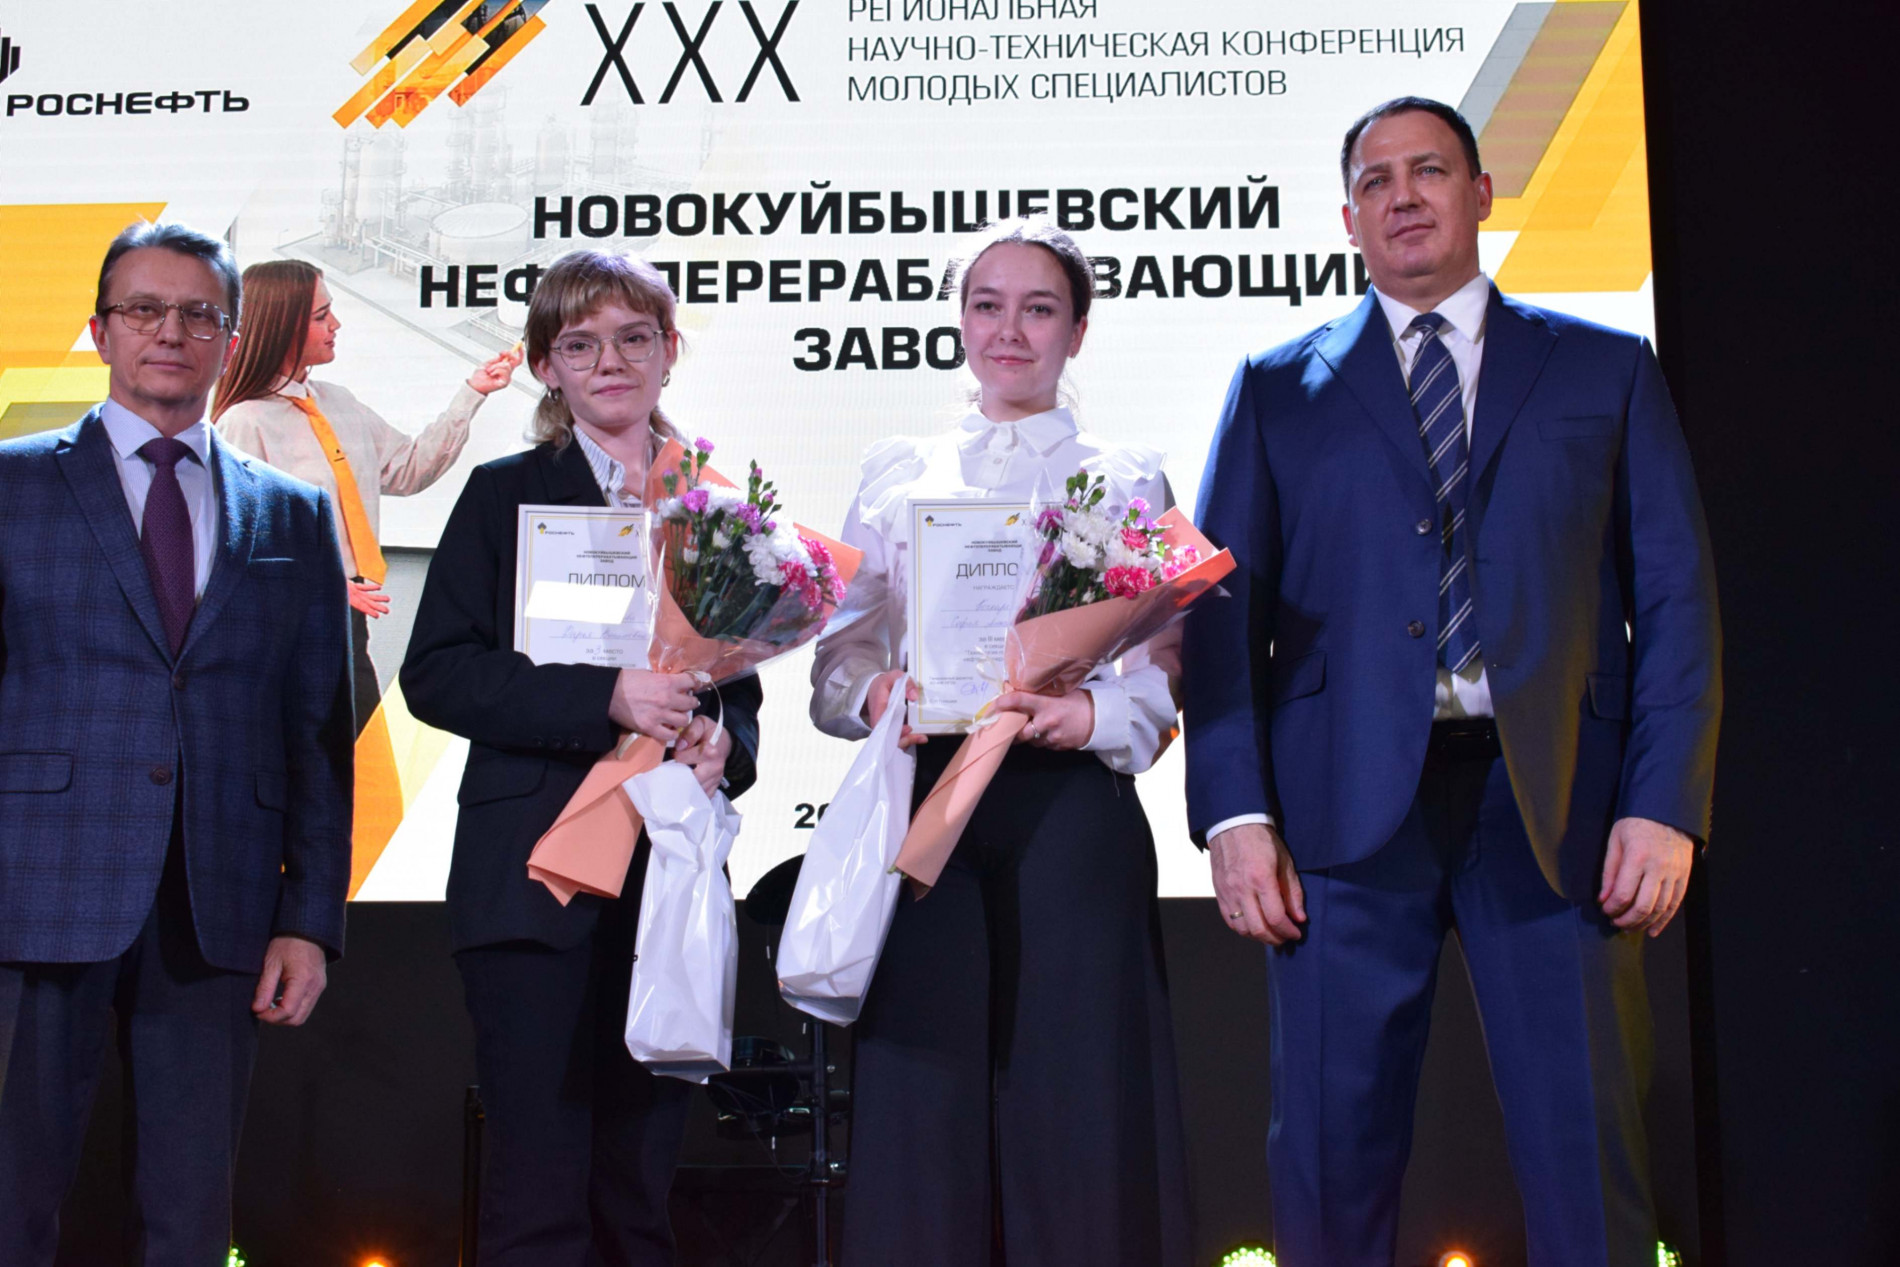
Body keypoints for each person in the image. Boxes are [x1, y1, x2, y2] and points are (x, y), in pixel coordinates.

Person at [1183, 97, 1722, 1267]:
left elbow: (1678, 602)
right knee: (1325, 1160)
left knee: (1588, 1154)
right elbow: (1220, 625)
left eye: (1428, 170)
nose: (1403, 196)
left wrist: (1662, 802)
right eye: (1374, 181)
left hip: (1560, 808)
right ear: (1347, 220)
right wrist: (1232, 813)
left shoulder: (1604, 369)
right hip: (1337, 818)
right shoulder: (1275, 389)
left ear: (1481, 193)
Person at [811, 217, 1192, 1266]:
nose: (1009, 331)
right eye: (987, 305)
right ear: (960, 320)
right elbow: (839, 655)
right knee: (920, 1112)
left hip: (1070, 806)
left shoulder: (1129, 474)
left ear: (1078, 331)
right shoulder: (897, 470)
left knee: (1080, 1108)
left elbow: (1167, 660)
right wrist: (878, 691)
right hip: (927, 804)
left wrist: (1091, 717)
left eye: (1038, 309)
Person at [399, 249, 761, 1267]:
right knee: (537, 1194)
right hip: (533, 876)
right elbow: (438, 674)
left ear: (670, 350)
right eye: (581, 343)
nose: (611, 361)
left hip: (667, 878)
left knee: (639, 1195)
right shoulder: (503, 493)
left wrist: (719, 740)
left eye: (634, 338)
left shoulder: (714, 509)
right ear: (543, 366)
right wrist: (602, 696)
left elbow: (740, 685)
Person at [0, 222, 354, 1262]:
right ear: (99, 330)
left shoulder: (292, 514)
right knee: (11, 1205)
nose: (171, 333)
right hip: (32, 895)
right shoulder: (11, 486)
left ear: (231, 339)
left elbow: (318, 736)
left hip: (220, 904)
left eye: (200, 314)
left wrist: (310, 920)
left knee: (191, 1220)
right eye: (145, 310)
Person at [213, 259, 521, 740]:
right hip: (289, 633)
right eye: (321, 316)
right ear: (281, 325)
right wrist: (324, 587)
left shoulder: (339, 402)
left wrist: (472, 394)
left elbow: (409, 469)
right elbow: (234, 552)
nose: (336, 324)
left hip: (348, 625)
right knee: (331, 766)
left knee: (360, 765)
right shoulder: (243, 423)